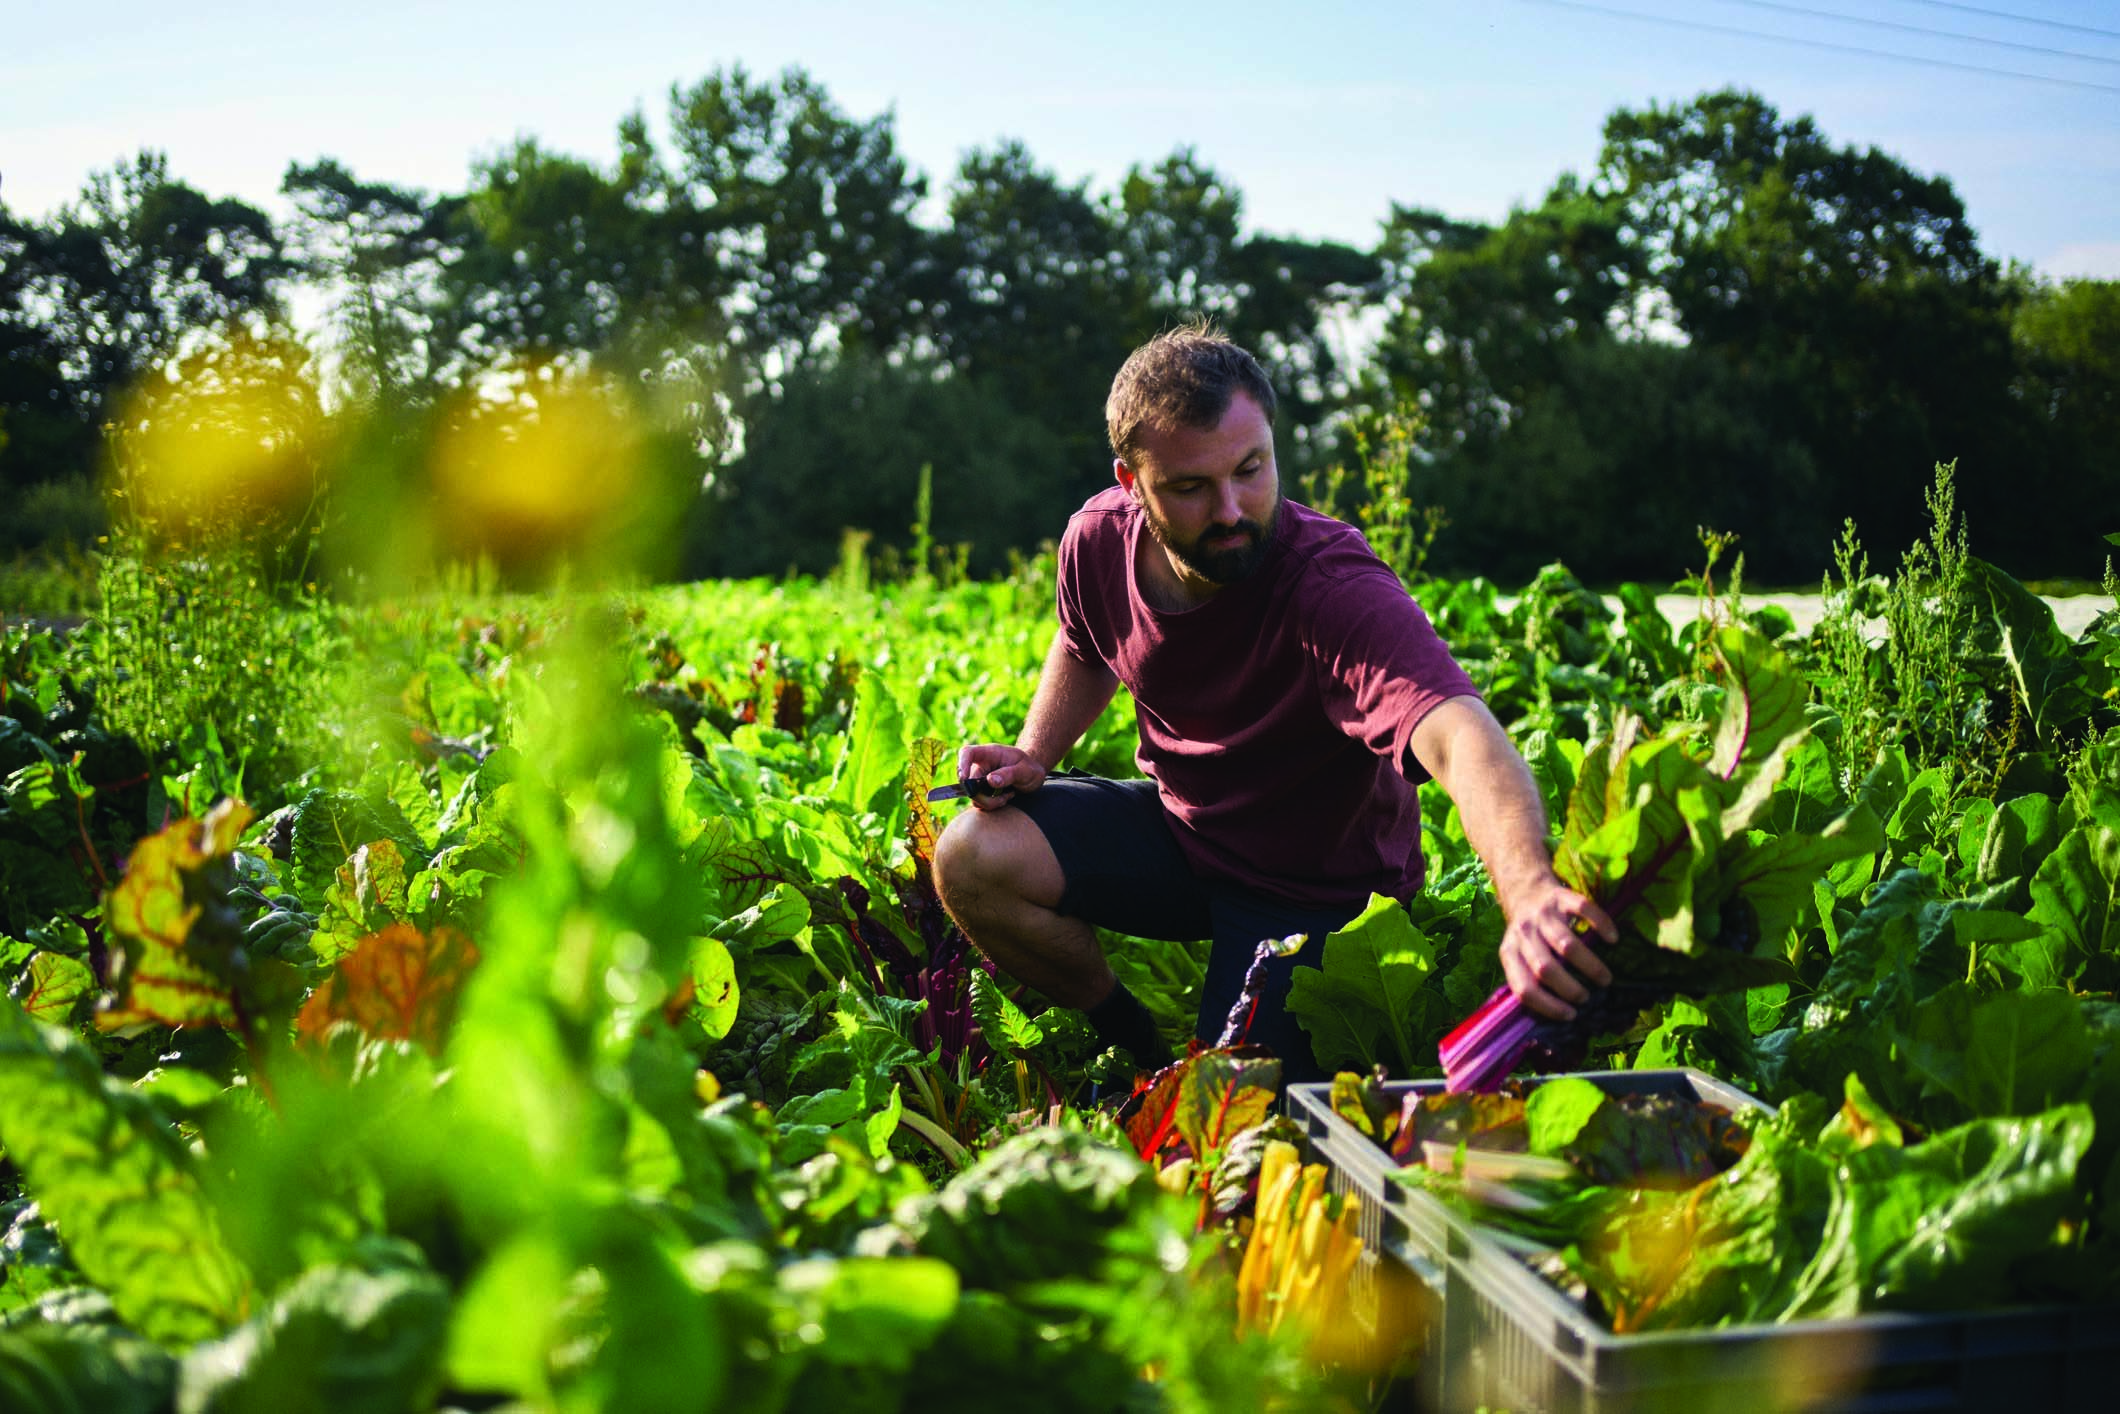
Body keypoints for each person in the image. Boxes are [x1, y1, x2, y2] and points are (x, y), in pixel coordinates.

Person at [932, 325, 1615, 1080]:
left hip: (1315, 890)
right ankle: (1132, 1036)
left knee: (1228, 1112)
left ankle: (1222, 1042)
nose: (1231, 510)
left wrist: (1530, 893)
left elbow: (1456, 732)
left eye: (1251, 470)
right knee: (971, 855)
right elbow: (1085, 642)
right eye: (1190, 488)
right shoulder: (1097, 540)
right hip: (1184, 839)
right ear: (1132, 484)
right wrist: (1035, 756)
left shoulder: (1330, 589)